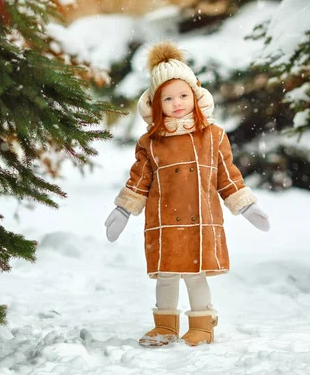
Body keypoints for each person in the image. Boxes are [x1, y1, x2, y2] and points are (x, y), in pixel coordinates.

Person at [104, 41, 270, 347]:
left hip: (200, 221)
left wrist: (246, 205)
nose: (177, 103)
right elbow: (139, 179)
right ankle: (165, 326)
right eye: (168, 98)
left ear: (195, 95)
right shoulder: (151, 142)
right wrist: (123, 210)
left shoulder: (213, 136)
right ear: (156, 104)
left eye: (183, 95)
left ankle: (202, 323)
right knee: (166, 274)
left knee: (195, 273)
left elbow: (227, 175)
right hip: (164, 220)